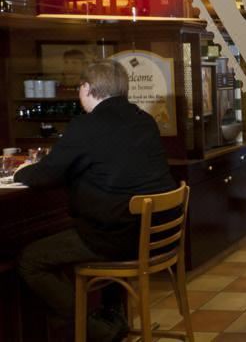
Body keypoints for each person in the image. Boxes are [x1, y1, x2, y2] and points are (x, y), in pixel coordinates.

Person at [15, 59, 176, 342]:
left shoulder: (86, 125)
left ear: (87, 88)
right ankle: (112, 317)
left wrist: (19, 170)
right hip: (156, 235)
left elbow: (46, 174)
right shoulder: (144, 120)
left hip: (116, 237)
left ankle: (96, 330)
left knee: (31, 260)